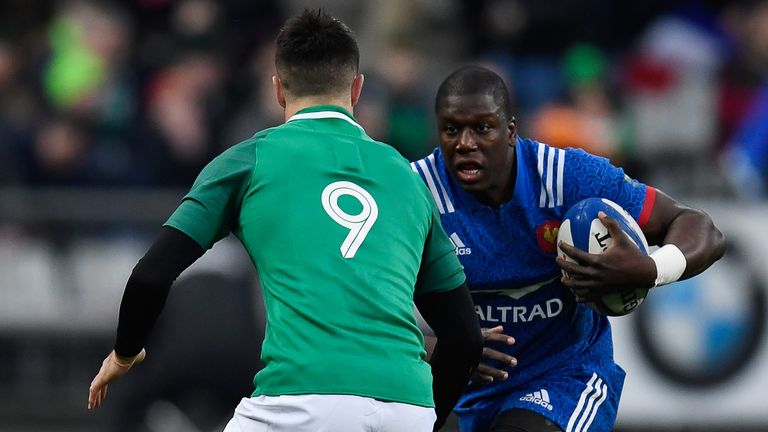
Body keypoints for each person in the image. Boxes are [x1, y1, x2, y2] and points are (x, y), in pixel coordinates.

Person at [87, 10, 483, 432]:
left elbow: (151, 275)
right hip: (409, 405)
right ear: (357, 88)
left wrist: (124, 354)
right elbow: (464, 338)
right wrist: (421, 417)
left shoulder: (249, 160)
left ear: (278, 90)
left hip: (303, 399)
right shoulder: (406, 176)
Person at [412, 66, 726, 432]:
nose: (465, 143)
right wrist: (447, 347)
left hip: (565, 378)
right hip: (465, 387)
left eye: (482, 128)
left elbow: (700, 227)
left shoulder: (565, 177)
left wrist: (650, 269)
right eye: (452, 129)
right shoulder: (415, 192)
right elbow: (355, 301)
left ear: (510, 131)